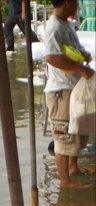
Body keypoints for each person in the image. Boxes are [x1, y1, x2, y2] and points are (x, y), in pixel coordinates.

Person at [44, 0, 95, 188]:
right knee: (63, 135)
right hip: (61, 91)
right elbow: (50, 56)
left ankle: (73, 166)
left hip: (73, 88)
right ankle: (65, 180)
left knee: (77, 131)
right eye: (75, 2)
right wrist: (79, 69)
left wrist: (83, 54)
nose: (78, 6)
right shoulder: (54, 27)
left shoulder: (67, 24)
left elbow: (70, 50)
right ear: (67, 2)